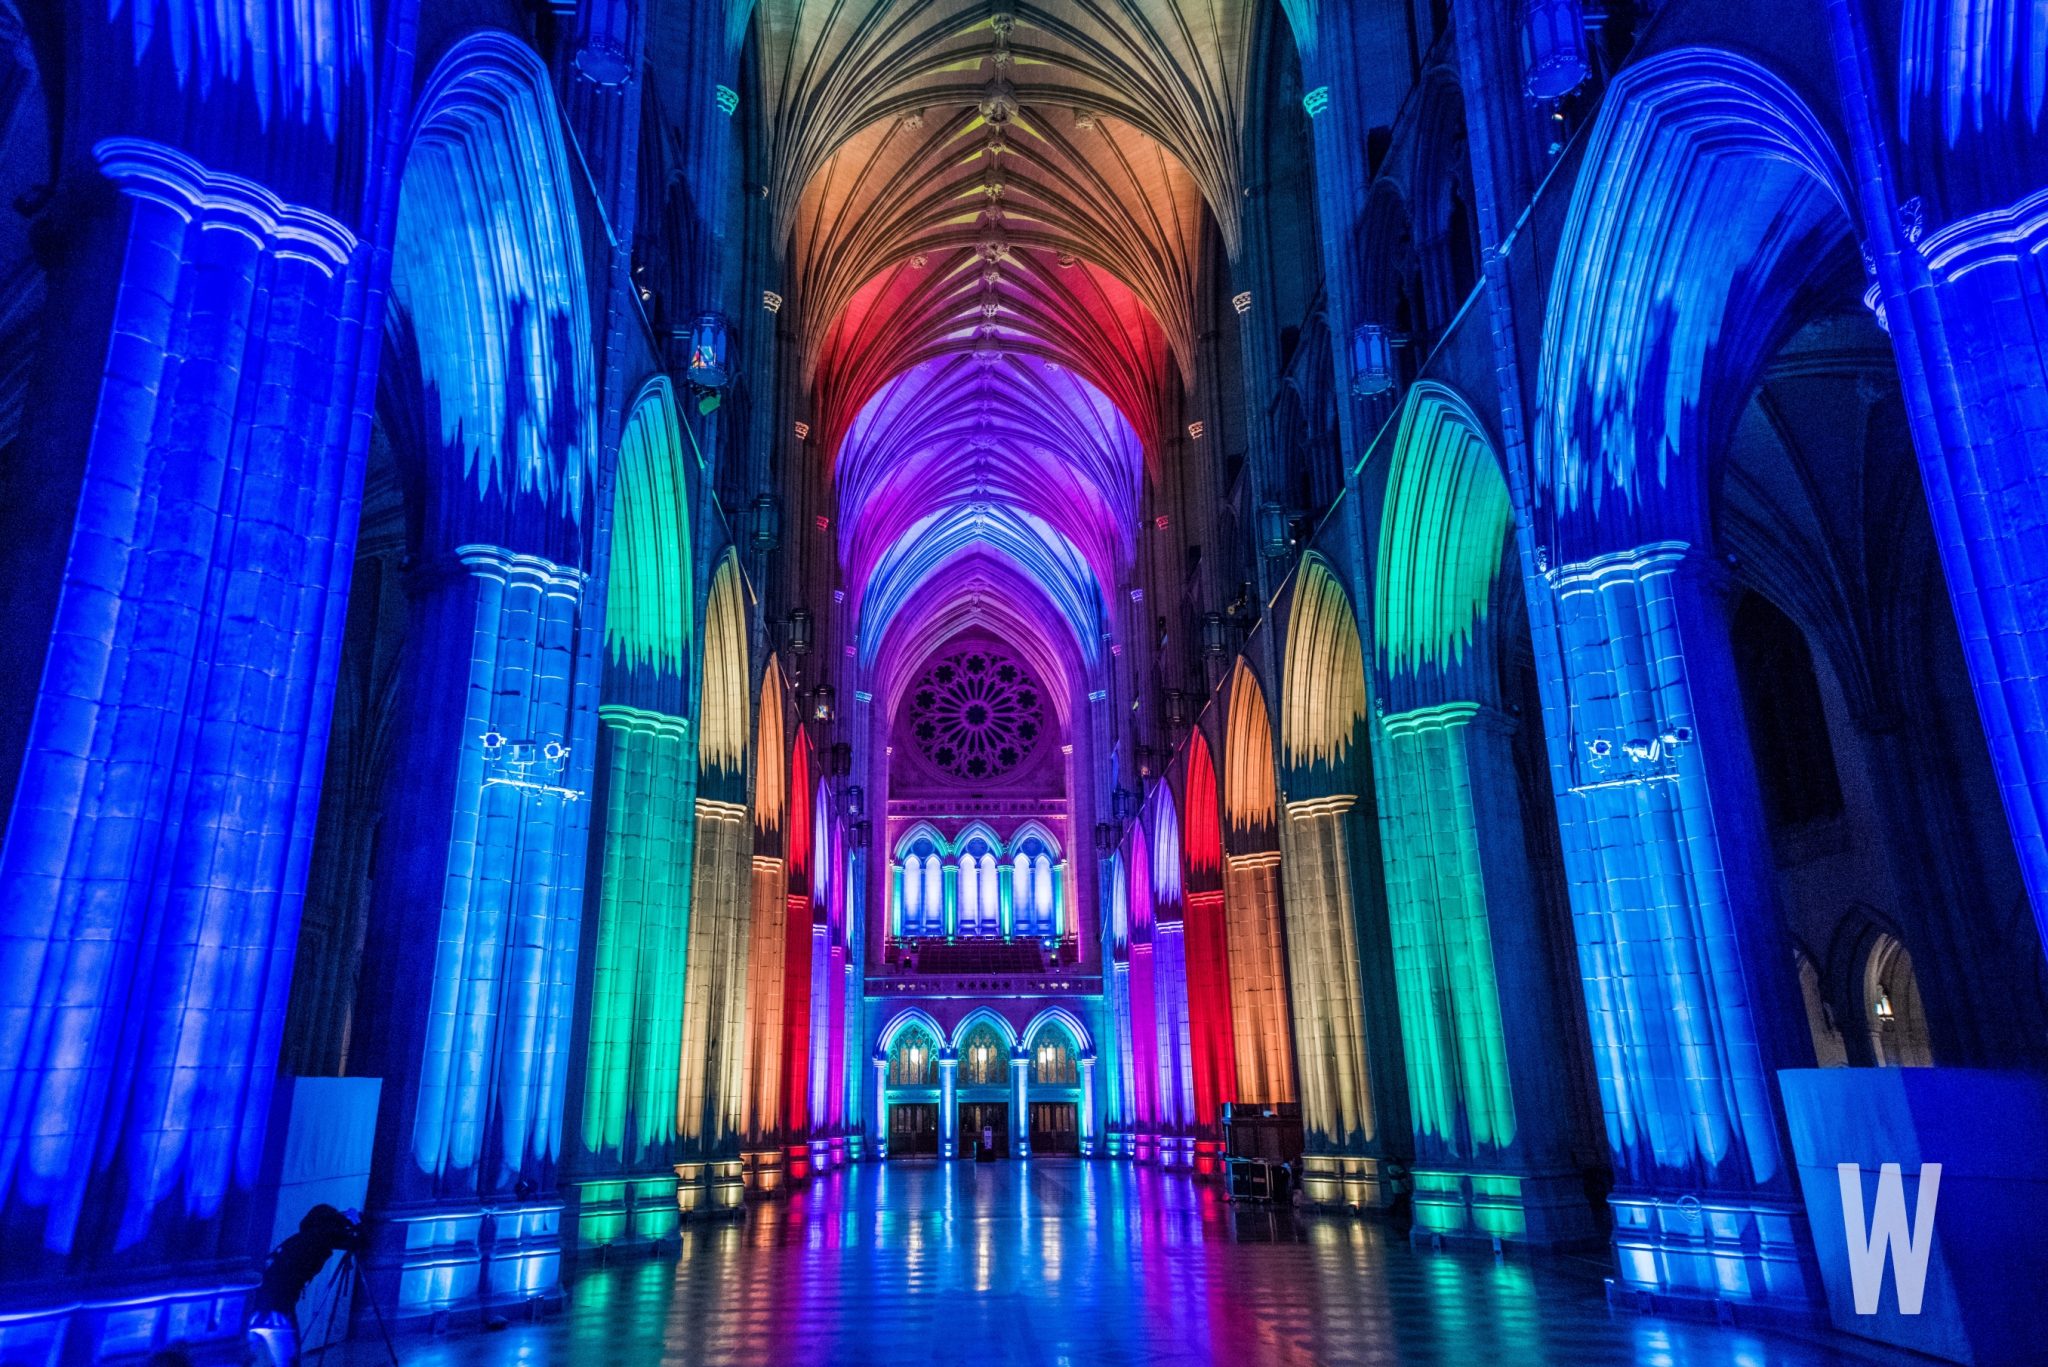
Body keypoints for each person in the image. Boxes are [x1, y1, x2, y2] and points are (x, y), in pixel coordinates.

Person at [244, 1204, 365, 1367]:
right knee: (288, 1362)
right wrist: (356, 1222)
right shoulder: (320, 1238)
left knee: (243, 1357)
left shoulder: (296, 1240)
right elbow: (361, 1242)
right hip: (278, 1309)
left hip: (254, 1305)